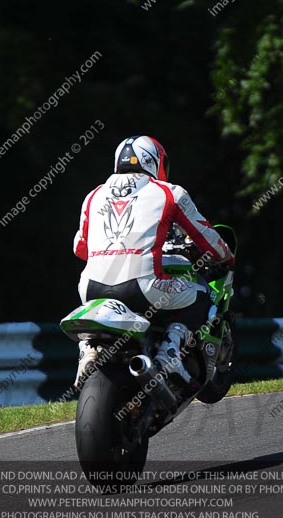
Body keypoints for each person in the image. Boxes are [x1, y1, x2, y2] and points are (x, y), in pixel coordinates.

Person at [72, 135, 234, 387]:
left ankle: (88, 348)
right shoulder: (169, 193)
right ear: (155, 162)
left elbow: (80, 248)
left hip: (90, 289)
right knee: (202, 293)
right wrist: (225, 255)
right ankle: (170, 352)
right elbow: (205, 237)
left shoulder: (93, 195)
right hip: (145, 287)